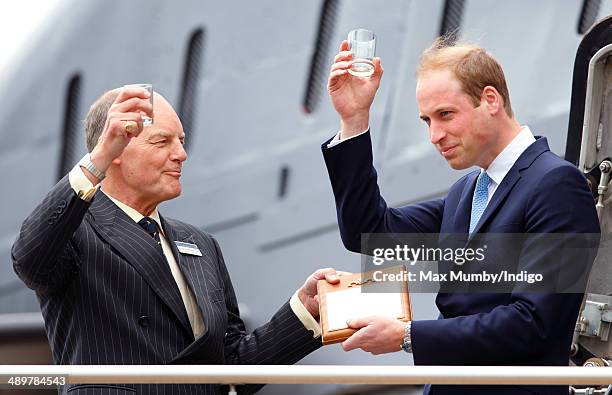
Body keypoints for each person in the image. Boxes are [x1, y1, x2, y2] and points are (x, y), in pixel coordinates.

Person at [12, 86, 339, 395]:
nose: (181, 154)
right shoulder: (76, 232)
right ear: (115, 151)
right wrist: (94, 162)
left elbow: (231, 370)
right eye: (162, 141)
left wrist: (304, 313)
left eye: (181, 141)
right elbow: (30, 257)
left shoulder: (200, 243)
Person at [322, 36, 600, 395]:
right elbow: (370, 231)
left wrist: (406, 335)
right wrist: (354, 118)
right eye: (426, 121)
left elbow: (534, 323)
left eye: (445, 115)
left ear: (490, 100)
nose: (435, 136)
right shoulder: (465, 193)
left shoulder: (558, 185)